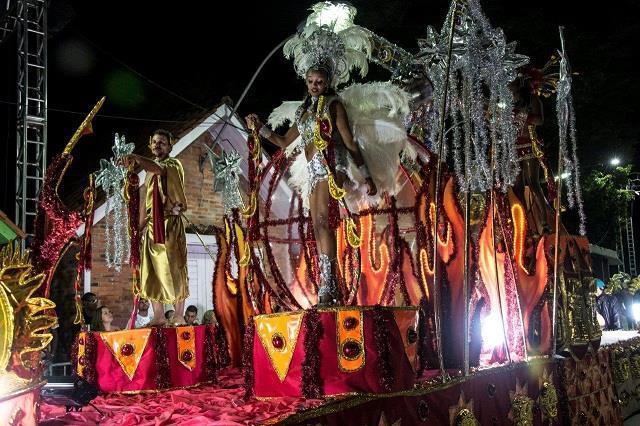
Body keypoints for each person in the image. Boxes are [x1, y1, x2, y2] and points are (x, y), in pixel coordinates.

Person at [246, 66, 376, 305]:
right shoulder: (304, 111)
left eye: (319, 82)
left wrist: (366, 175)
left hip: (331, 165)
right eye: (311, 81)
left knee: (324, 221)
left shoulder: (333, 106)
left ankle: (328, 285)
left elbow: (349, 141)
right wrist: (260, 128)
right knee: (317, 226)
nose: (315, 85)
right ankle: (330, 285)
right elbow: (284, 142)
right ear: (305, 83)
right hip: (313, 172)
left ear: (327, 83)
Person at [123, 129, 189, 326]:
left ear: (170, 146)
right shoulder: (148, 174)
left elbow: (159, 169)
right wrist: (139, 227)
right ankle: (159, 315)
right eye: (155, 142)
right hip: (152, 225)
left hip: (169, 221)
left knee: (174, 266)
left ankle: (178, 315)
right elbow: (146, 202)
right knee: (149, 269)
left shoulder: (171, 164)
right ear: (150, 144)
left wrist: (136, 158)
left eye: (162, 142)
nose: (158, 145)